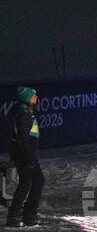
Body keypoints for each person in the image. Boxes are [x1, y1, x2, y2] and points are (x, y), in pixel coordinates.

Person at [6, 87, 42, 228]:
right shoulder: (23, 114)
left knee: (31, 182)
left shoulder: (26, 111)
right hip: (25, 155)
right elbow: (23, 138)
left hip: (27, 154)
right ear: (28, 98)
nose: (36, 97)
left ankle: (26, 215)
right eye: (34, 96)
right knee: (29, 182)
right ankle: (19, 215)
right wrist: (29, 158)